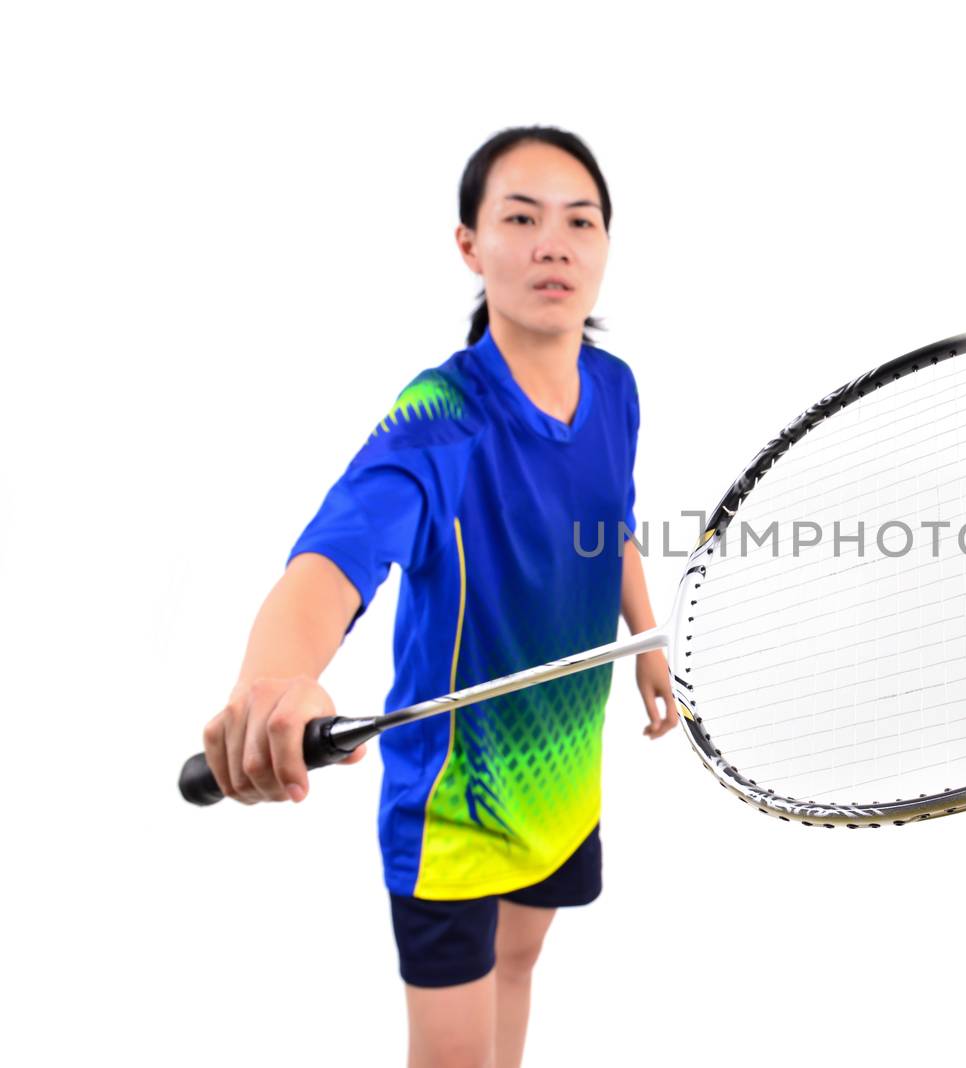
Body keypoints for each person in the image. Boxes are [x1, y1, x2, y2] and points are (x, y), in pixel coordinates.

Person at [199, 125, 676, 1067]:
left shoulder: (615, 388)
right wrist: (272, 682)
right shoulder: (440, 419)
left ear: (606, 245)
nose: (555, 242)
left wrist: (647, 638)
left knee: (523, 956)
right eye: (521, 217)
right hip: (458, 809)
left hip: (566, 769)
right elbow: (334, 558)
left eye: (580, 220)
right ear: (471, 243)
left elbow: (610, 521)